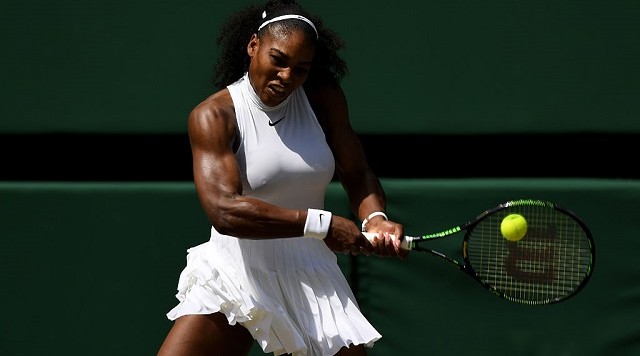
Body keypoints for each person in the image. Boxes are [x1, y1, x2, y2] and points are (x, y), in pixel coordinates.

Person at [157, 1, 408, 355]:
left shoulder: (323, 99)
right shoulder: (214, 115)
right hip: (236, 269)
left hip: (310, 268)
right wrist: (321, 224)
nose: (287, 77)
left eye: (301, 69)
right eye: (279, 60)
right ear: (253, 46)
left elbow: (356, 172)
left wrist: (375, 218)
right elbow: (225, 211)